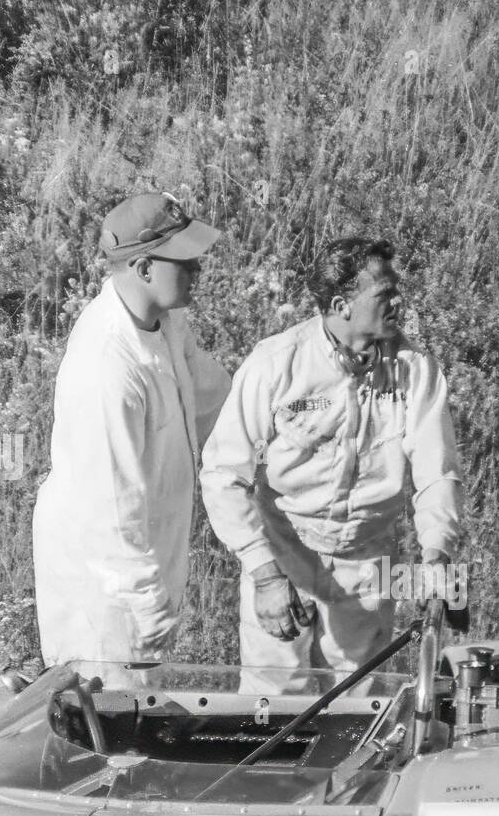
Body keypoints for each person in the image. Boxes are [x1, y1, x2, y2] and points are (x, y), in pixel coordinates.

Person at [199, 236, 463, 672]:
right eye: (384, 294)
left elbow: (438, 472)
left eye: (397, 289)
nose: (399, 302)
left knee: (361, 701)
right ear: (342, 305)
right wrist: (264, 574)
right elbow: (223, 474)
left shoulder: (416, 370)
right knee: (275, 702)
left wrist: (437, 557)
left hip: (370, 556)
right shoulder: (275, 363)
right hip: (285, 550)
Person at [33, 191, 231, 665]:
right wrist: (147, 608)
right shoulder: (107, 368)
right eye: (186, 262)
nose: (198, 271)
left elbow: (209, 392)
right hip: (105, 587)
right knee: (110, 716)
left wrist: (268, 416)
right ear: (144, 268)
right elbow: (110, 509)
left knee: (136, 706)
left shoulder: (165, 322)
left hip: (144, 559)